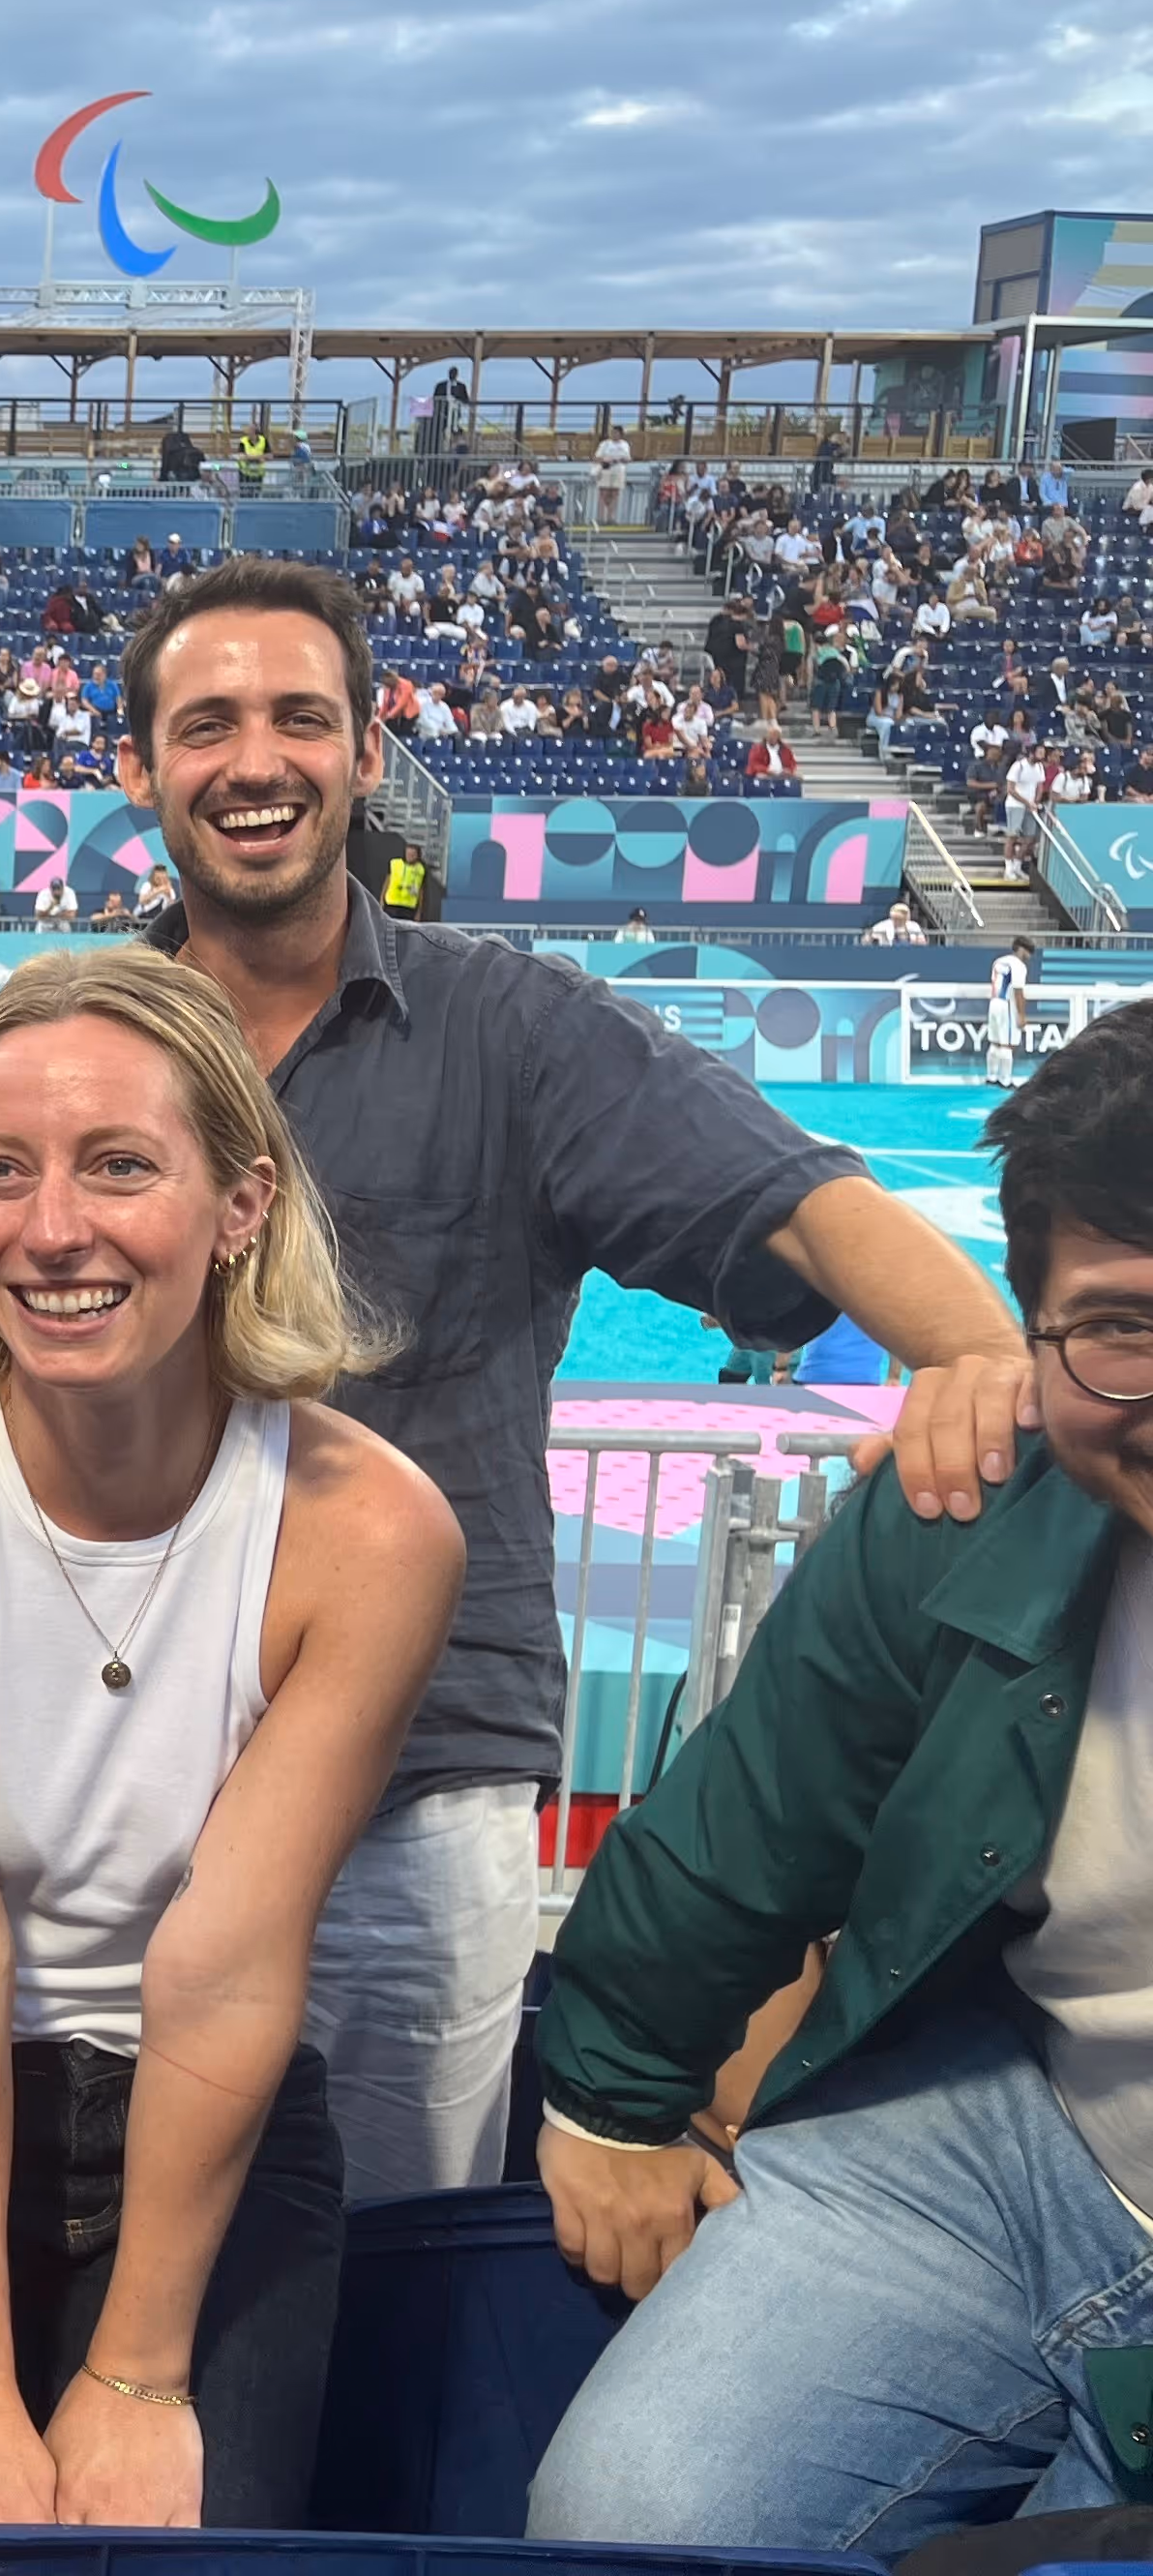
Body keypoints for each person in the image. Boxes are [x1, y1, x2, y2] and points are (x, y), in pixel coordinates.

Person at [118, 554, 1033, 2201]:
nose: (254, 759)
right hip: (105, 1760)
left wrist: (978, 1351)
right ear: (137, 766)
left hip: (412, 1776)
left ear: (365, 749)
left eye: (297, 717)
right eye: (206, 723)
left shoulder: (509, 1031)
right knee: (114, 2235)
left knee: (398, 2262)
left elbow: (791, 1194)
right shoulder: (73, 1041)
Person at [0, 948, 461, 2566]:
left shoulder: (367, 1534)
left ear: (238, 1204)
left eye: (117, 1164)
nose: (49, 1226)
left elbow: (219, 1963)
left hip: (204, 2115)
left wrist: (136, 2367)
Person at [525, 1002, 1153, 2555]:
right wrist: (610, 2103)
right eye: (1125, 1328)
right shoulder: (973, 1494)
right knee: (628, 2517)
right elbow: (761, 1807)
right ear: (1031, 1332)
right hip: (1022, 2127)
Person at [988, 933, 1035, 1090]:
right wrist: (1021, 1015)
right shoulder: (1018, 966)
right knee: (1007, 1045)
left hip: (994, 1003)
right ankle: (1005, 1080)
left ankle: (991, 1076)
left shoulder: (998, 961)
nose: (1029, 956)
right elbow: (1018, 991)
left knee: (995, 1042)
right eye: (1028, 952)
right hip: (1006, 1005)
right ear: (1021, 949)